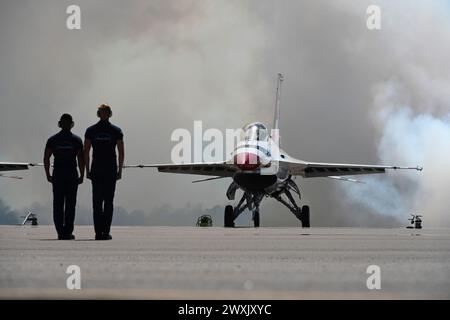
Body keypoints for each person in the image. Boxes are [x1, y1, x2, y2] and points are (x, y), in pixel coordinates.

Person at [84, 104, 124, 240]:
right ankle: (99, 232)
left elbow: (121, 152)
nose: (104, 114)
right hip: (102, 170)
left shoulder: (115, 131)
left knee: (106, 202)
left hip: (107, 170)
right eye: (102, 112)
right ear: (100, 114)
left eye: (105, 112)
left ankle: (104, 232)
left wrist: (120, 169)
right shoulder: (92, 130)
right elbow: (86, 151)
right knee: (99, 202)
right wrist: (87, 170)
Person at [44, 114, 84, 240]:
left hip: (60, 174)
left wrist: (48, 174)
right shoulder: (76, 140)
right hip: (70, 174)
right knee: (69, 204)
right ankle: (66, 232)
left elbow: (46, 158)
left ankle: (61, 232)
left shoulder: (53, 139)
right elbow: (80, 159)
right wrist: (82, 174)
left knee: (59, 204)